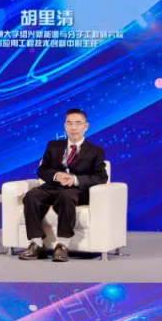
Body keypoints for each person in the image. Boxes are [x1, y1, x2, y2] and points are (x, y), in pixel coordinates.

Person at [18, 109, 108, 262]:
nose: (73, 127)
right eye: (69, 123)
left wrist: (75, 180)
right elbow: (42, 170)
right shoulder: (54, 146)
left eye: (78, 123)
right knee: (31, 196)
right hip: (52, 187)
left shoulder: (96, 151)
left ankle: (62, 245)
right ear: (65, 126)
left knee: (67, 196)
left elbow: (101, 177)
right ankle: (36, 243)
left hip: (76, 190)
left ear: (86, 127)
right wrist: (56, 176)